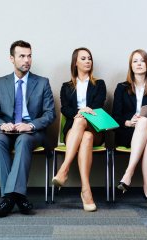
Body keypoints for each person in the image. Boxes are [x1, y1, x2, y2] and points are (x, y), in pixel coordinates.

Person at [0, 40, 56, 217]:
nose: (27, 60)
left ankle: (8, 198)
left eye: (29, 56)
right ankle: (16, 197)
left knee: (24, 139)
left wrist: (31, 125)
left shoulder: (42, 82)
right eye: (22, 56)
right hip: (7, 130)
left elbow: (50, 114)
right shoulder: (0, 82)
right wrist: (1, 124)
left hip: (32, 133)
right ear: (12, 58)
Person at [52, 47, 106, 212]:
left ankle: (64, 169)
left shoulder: (99, 84)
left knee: (84, 124)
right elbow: (64, 109)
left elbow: (98, 106)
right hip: (75, 130)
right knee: (86, 136)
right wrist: (79, 112)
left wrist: (83, 112)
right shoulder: (66, 86)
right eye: (83, 58)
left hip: (95, 127)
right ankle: (86, 190)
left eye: (89, 58)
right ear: (75, 62)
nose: (88, 61)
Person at [112, 49, 147, 207]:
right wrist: (128, 122)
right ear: (131, 66)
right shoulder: (121, 88)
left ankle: (129, 173)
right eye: (135, 61)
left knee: (145, 122)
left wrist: (143, 121)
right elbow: (115, 117)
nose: (139, 64)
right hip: (127, 134)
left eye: (142, 60)